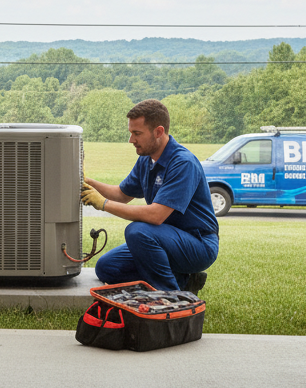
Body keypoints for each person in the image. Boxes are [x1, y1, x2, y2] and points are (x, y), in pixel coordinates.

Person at [80, 99, 218, 294]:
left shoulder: (183, 163)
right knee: (107, 267)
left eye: (137, 133)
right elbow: (121, 194)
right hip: (163, 238)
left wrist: (103, 204)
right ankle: (182, 280)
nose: (131, 140)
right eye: (131, 133)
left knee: (138, 231)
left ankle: (170, 295)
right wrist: (86, 182)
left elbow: (156, 215)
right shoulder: (146, 160)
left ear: (158, 132)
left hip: (198, 244)